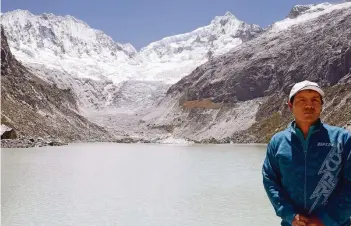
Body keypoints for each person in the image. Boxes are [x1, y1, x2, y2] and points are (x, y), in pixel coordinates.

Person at [262, 80, 351, 226]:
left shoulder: (342, 139)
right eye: (302, 100)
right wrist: (290, 214)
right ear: (290, 106)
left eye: (315, 100)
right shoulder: (277, 142)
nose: (309, 105)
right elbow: (270, 181)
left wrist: (325, 219)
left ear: (322, 105)